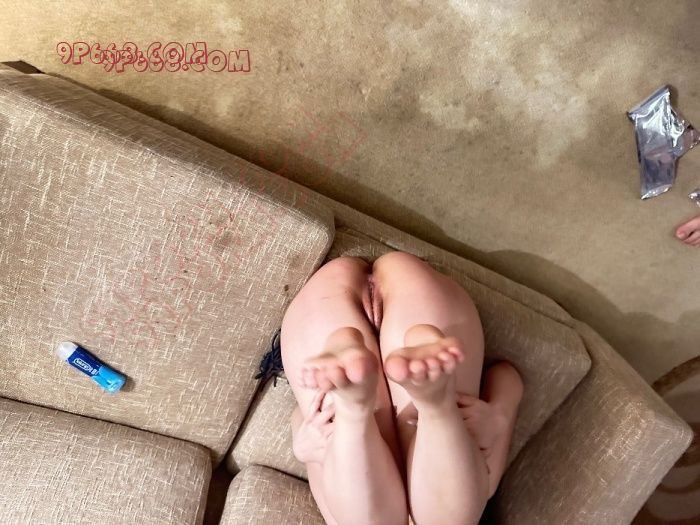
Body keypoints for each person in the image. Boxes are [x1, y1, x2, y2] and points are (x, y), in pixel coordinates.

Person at [281, 252, 524, 525]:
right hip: (422, 309)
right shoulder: (474, 490)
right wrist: (497, 418)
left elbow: (300, 418)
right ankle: (432, 401)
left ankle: (356, 405)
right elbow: (508, 379)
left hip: (324, 317)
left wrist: (302, 447)